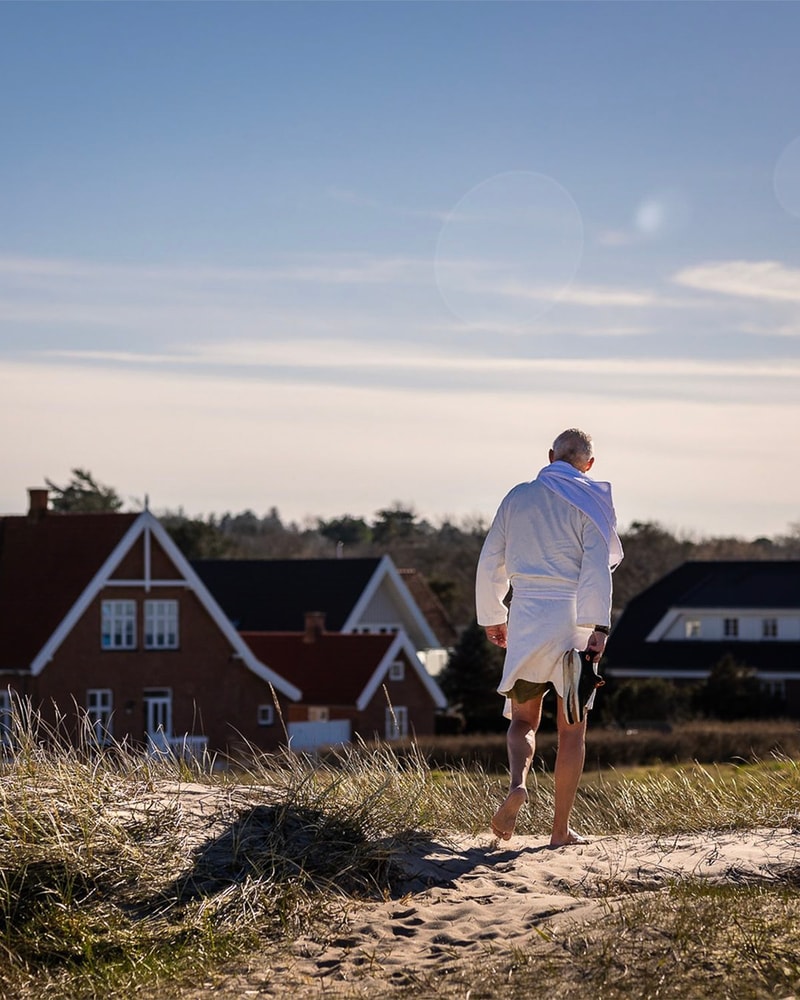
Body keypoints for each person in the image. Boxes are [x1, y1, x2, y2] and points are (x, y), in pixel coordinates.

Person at [475, 428, 623, 846]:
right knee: (572, 730)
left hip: (526, 618)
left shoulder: (517, 497)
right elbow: (596, 569)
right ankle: (559, 831)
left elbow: (491, 561)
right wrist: (599, 627)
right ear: (588, 465)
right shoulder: (589, 503)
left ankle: (517, 786)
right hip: (573, 620)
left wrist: (493, 615)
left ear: (550, 455)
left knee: (523, 720)